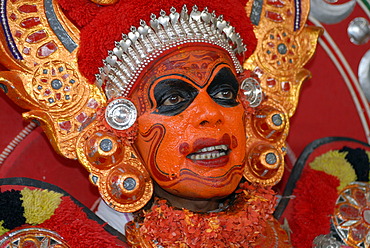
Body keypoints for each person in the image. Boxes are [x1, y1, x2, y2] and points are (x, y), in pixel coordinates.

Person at [0, 0, 320, 246]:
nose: (210, 113)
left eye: (224, 92)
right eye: (173, 100)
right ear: (122, 128)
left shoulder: (318, 224)